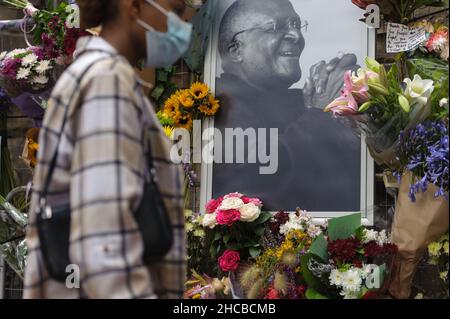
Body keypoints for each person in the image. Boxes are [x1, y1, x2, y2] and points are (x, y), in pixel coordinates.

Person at [24, 0, 190, 299]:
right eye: (176, 11)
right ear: (135, 6)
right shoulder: (106, 80)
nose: (182, 25)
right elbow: (105, 242)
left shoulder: (99, 75)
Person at [213, 0, 361, 211]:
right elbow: (258, 177)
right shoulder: (220, 105)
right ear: (236, 50)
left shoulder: (295, 101)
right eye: (276, 27)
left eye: (296, 25)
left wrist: (342, 89)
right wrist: (320, 112)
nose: (296, 36)